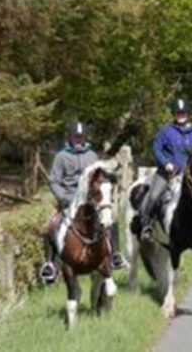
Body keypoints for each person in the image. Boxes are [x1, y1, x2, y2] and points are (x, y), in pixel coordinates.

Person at [39, 121, 126, 283]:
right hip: (69, 199)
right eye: (75, 137)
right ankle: (50, 264)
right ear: (70, 137)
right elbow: (54, 182)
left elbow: (98, 178)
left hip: (90, 200)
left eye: (81, 137)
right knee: (51, 224)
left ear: (84, 137)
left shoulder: (91, 155)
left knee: (111, 219)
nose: (78, 140)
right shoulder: (61, 156)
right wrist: (63, 197)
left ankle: (115, 255)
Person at [130, 98, 192, 241]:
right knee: (153, 196)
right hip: (167, 173)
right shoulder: (166, 131)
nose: (181, 115)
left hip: (189, 174)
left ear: (188, 114)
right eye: (178, 113)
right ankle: (147, 226)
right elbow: (156, 148)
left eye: (183, 113)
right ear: (174, 114)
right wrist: (166, 163)